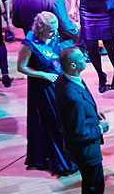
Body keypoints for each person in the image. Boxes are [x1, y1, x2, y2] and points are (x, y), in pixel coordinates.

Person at [55, 47, 112, 194]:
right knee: (93, 187)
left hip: (82, 148)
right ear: (72, 65)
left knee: (94, 186)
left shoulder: (67, 80)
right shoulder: (72, 97)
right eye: (81, 57)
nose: (85, 58)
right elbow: (79, 132)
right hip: (86, 151)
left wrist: (94, 113)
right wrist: (100, 128)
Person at [16, 12, 76, 176]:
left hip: (58, 83)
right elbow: (21, 67)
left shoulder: (54, 36)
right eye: (50, 31)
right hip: (42, 87)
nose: (54, 34)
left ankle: (69, 156)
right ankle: (60, 162)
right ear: (40, 29)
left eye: (55, 30)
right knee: (53, 123)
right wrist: (42, 74)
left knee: (64, 120)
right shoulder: (29, 44)